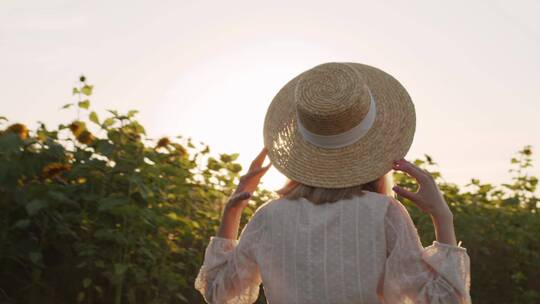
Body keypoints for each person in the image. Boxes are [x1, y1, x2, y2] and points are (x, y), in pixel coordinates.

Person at [194, 62, 471, 303]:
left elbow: (219, 293)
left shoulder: (269, 216)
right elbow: (443, 300)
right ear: (374, 148)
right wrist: (441, 215)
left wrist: (231, 212)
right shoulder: (383, 213)